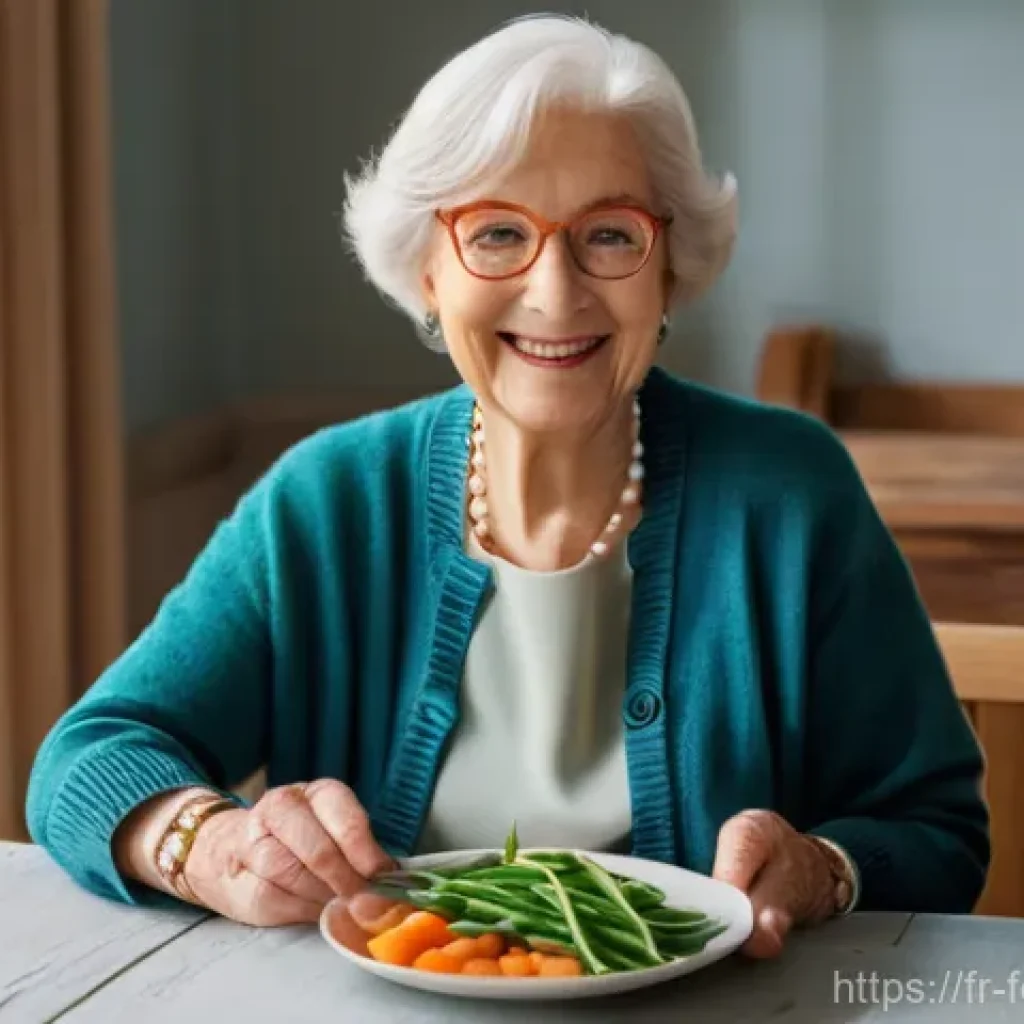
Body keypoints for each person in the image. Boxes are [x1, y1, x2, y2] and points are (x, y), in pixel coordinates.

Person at [26, 14, 988, 960]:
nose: (557, 292)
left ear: (669, 270)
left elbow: (936, 830)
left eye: (609, 235)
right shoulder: (326, 500)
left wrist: (823, 869)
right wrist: (210, 846)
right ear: (428, 274)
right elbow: (89, 759)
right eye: (495, 233)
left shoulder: (793, 493)